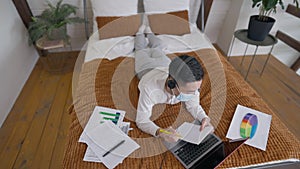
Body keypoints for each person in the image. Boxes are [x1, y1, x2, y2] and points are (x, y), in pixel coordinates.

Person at [134, 22, 212, 143]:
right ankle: (140, 33)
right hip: (146, 69)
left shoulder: (191, 85)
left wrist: (204, 118)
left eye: (196, 90)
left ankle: (150, 33)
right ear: (171, 83)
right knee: (140, 49)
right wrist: (161, 132)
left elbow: (194, 105)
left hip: (164, 64)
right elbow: (142, 120)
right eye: (189, 92)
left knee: (157, 48)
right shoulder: (149, 88)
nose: (194, 94)